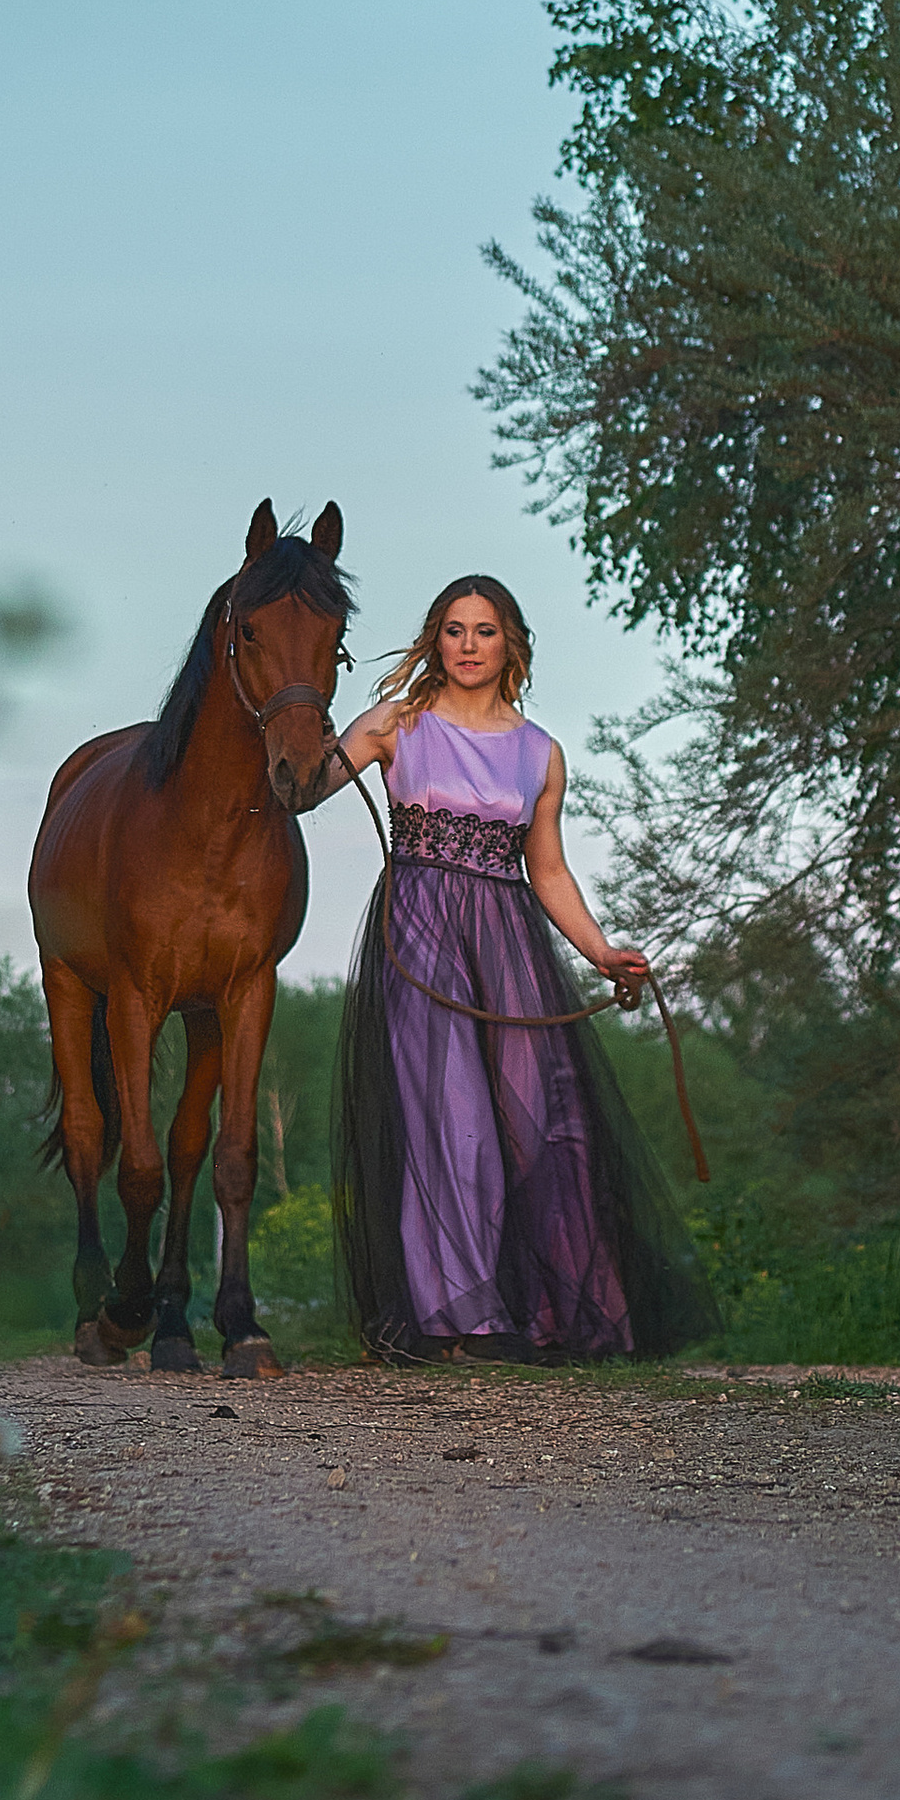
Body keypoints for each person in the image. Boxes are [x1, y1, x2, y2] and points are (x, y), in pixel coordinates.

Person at [316, 574, 707, 1364]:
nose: (467, 645)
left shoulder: (540, 753)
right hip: (421, 930)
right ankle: (460, 1317)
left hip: (508, 937)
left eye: (484, 631)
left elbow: (550, 871)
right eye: (454, 630)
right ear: (435, 638)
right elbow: (302, 788)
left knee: (541, 1122)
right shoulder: (396, 724)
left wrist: (601, 952)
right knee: (451, 1119)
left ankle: (552, 1308)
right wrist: (292, 725)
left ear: (510, 644)